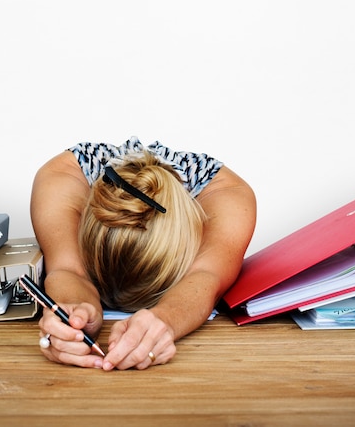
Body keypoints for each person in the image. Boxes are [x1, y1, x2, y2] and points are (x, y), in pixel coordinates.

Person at [29, 136, 256, 371]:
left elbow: (205, 277)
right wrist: (75, 311)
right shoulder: (59, 178)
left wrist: (165, 320)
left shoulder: (231, 197)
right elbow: (68, 269)